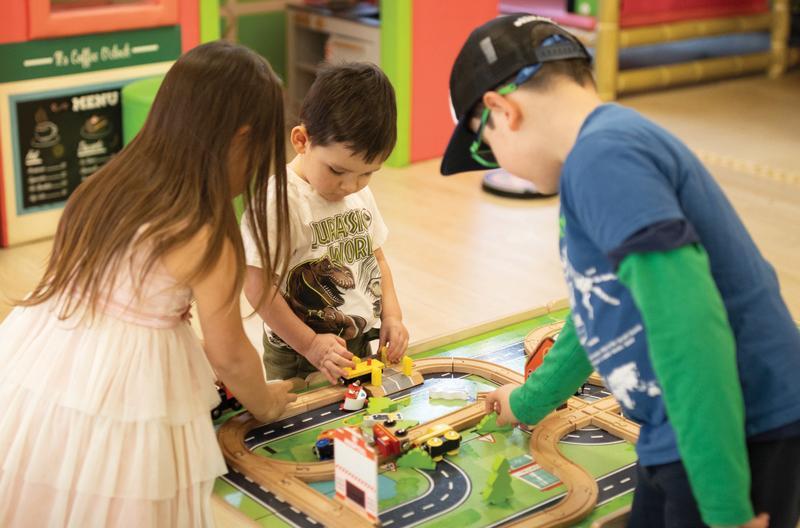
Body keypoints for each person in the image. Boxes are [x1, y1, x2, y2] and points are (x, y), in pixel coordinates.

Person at [441, 15, 800, 528]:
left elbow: (690, 329)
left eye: (483, 147)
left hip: (734, 428)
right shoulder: (594, 160)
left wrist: (725, 510)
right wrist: (528, 400)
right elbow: (597, 311)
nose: (496, 162)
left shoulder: (604, 160)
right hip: (677, 423)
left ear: (503, 112)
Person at [0, 41, 298, 527]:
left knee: (51, 483)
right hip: (129, 385)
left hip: (51, 359)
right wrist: (266, 401)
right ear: (242, 138)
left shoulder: (107, 185)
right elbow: (229, 351)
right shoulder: (204, 230)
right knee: (119, 497)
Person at [242, 62, 409, 385]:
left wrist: (392, 315)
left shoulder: (359, 194)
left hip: (357, 338)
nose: (350, 185)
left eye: (367, 172)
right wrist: (309, 344)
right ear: (302, 140)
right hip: (298, 352)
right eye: (337, 171)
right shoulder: (279, 201)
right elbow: (257, 287)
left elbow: (378, 258)